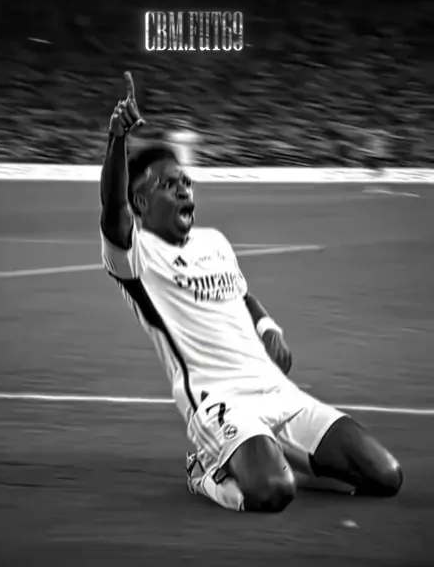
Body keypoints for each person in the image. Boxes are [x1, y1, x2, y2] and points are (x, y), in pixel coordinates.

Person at [100, 72, 403, 512]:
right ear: (141, 203)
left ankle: (274, 457)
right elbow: (112, 208)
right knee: (272, 493)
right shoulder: (137, 257)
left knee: (386, 476)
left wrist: (267, 326)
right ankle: (205, 472)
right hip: (218, 401)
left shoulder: (214, 242)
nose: (184, 189)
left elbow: (240, 295)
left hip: (276, 391)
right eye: (169, 184)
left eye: (186, 182)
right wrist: (116, 140)